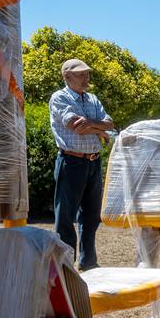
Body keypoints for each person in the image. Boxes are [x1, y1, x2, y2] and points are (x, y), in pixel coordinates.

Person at [49, 58, 115, 271]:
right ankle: (65, 266)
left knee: (91, 216)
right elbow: (76, 126)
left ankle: (88, 263)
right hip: (71, 161)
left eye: (87, 74)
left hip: (93, 162)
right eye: (81, 74)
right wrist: (100, 130)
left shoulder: (92, 99)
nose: (86, 78)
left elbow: (110, 124)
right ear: (67, 76)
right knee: (65, 217)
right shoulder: (60, 97)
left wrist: (93, 126)